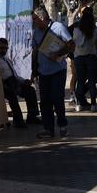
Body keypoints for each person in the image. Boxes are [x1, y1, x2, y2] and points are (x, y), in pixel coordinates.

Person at [32, 8, 74, 139]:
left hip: (58, 70)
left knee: (57, 98)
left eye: (35, 19)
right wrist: (33, 69)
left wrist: (58, 53)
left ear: (42, 17)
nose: (33, 22)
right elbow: (35, 51)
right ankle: (48, 129)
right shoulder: (36, 32)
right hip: (43, 71)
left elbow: (71, 45)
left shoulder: (58, 27)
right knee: (45, 101)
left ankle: (62, 126)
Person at [0, 38, 40, 127]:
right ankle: (18, 120)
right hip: (1, 85)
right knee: (12, 94)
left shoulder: (6, 59)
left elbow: (14, 75)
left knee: (30, 90)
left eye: (6, 48)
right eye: (1, 48)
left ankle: (32, 117)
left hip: (14, 82)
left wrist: (23, 81)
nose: (4, 50)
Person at [73, 8, 97, 112]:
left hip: (79, 57)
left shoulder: (76, 29)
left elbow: (74, 42)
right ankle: (93, 105)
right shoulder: (94, 30)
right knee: (92, 81)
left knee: (80, 81)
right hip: (91, 57)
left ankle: (79, 104)